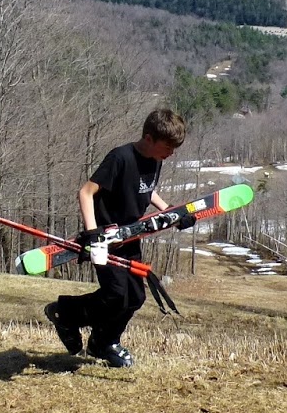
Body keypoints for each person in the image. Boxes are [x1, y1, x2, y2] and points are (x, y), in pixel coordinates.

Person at [45, 107, 186, 368]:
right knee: (116, 294)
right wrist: (92, 234)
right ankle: (64, 312)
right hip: (105, 240)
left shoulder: (155, 161)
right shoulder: (120, 158)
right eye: (168, 147)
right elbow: (86, 192)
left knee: (135, 297)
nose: (171, 153)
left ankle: (104, 342)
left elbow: (147, 190)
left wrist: (170, 212)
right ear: (148, 138)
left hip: (130, 237)